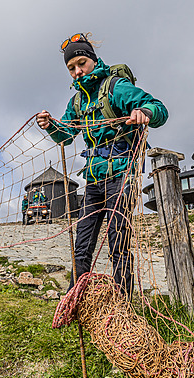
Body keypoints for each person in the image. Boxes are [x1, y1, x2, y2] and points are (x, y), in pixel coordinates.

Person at [36, 33, 168, 299]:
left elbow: (159, 108)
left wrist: (146, 113)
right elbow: (65, 135)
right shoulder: (77, 102)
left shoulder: (115, 87)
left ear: (93, 61)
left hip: (123, 174)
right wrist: (51, 126)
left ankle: (123, 304)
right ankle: (75, 301)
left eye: (81, 63)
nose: (77, 71)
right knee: (82, 244)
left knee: (118, 243)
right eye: (71, 68)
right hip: (94, 179)